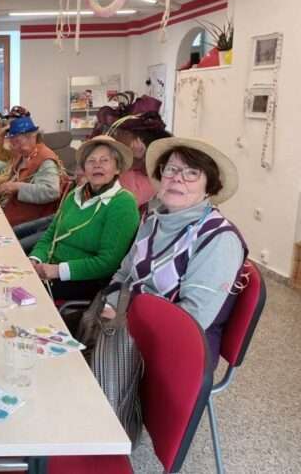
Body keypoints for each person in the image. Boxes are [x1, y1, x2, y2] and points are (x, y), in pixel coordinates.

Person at [101, 137, 247, 359]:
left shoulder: (219, 239)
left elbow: (193, 318)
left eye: (192, 173)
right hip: (125, 329)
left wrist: (127, 325)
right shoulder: (151, 220)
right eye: (171, 169)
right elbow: (124, 273)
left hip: (176, 352)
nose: (177, 178)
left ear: (209, 187)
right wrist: (109, 307)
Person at [29, 136, 140, 301]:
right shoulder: (74, 195)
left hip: (87, 281)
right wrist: (35, 259)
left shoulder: (123, 203)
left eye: (105, 160)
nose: (97, 165)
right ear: (84, 168)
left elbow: (108, 263)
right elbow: (51, 235)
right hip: (50, 268)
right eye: (91, 161)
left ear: (117, 168)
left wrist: (58, 270)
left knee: (21, 291)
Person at [96, 94, 171, 210]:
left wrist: (127, 162)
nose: (114, 138)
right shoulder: (118, 165)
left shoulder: (148, 176)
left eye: (120, 134)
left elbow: (127, 201)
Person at [0, 115, 64, 227]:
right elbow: (14, 180)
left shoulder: (46, 160)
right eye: (12, 142)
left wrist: (17, 186)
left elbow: (51, 192)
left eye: (17, 141)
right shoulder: (23, 155)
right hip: (13, 210)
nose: (14, 147)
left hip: (30, 220)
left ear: (32, 137)